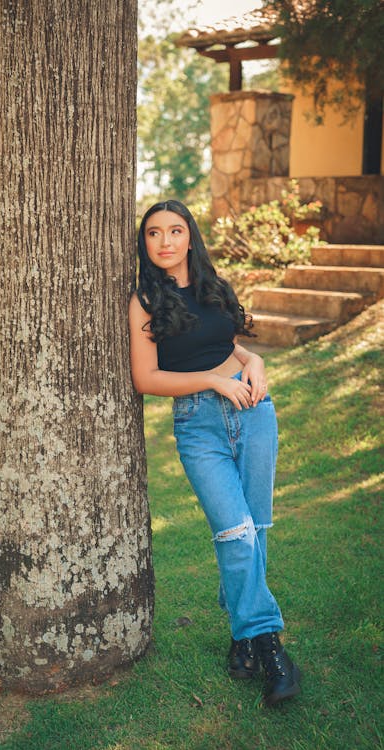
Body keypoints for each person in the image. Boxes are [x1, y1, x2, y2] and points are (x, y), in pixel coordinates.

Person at [129, 199, 301, 708]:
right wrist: (211, 382)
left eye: (175, 230)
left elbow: (230, 343)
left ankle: (243, 639)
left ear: (190, 236)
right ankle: (271, 649)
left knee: (255, 530)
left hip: (253, 413)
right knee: (234, 530)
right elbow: (147, 377)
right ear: (145, 243)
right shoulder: (143, 299)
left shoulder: (213, 286)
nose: (165, 241)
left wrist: (256, 360)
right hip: (199, 425)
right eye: (154, 233)